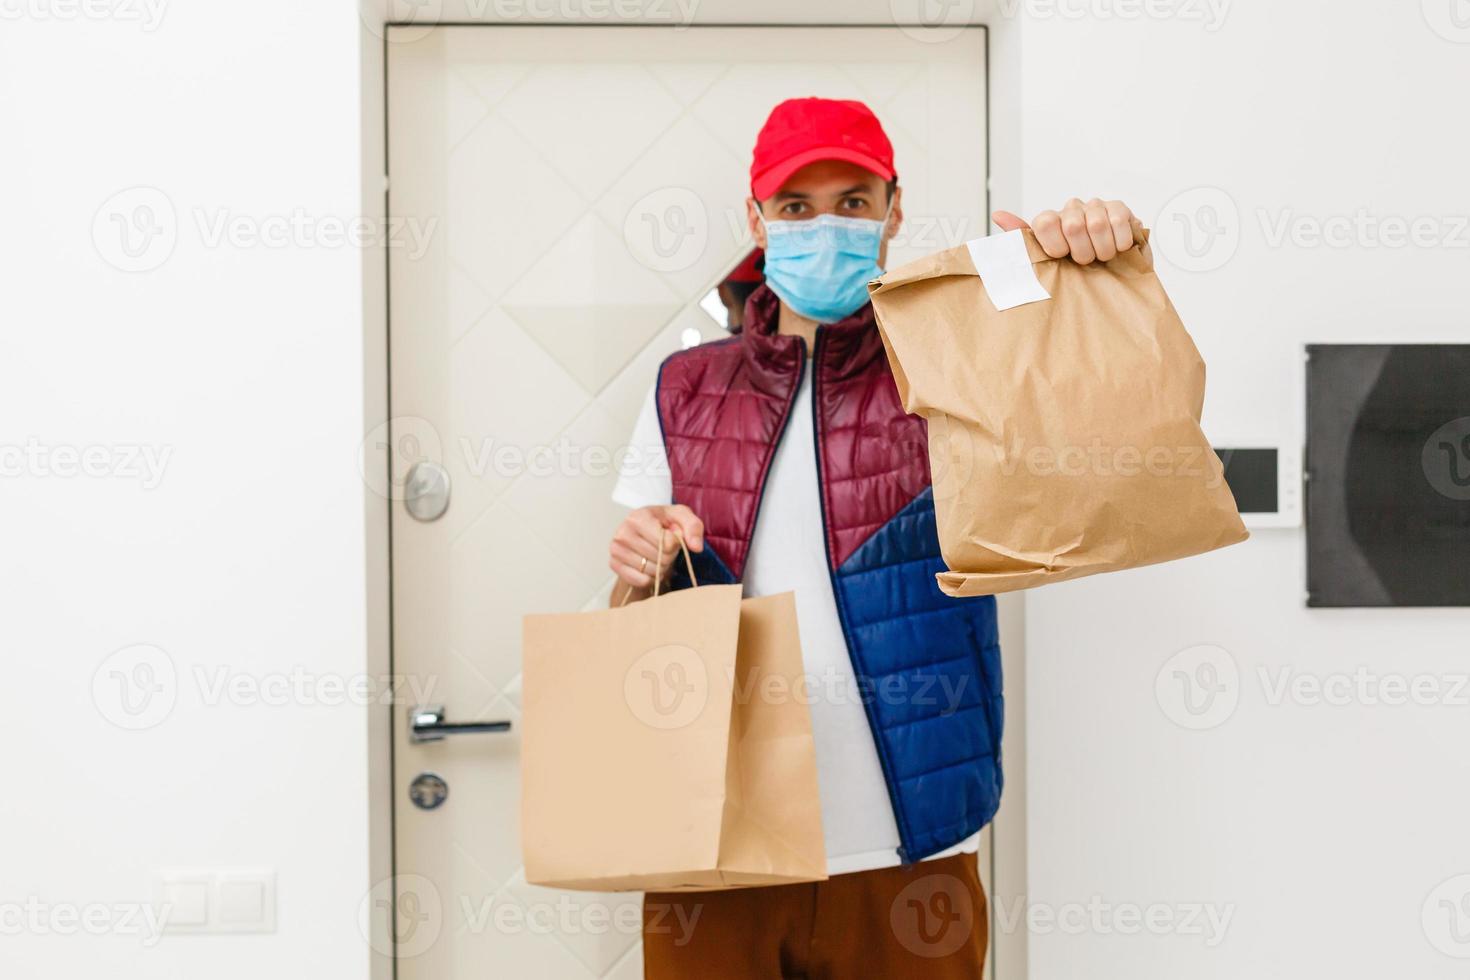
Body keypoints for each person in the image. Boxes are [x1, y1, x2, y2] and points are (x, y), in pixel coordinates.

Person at [609, 96, 1140, 979]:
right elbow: (638, 579)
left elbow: (1102, 448)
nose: (826, 226)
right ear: (757, 219)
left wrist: (1100, 272)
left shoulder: (953, 360)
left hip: (910, 850)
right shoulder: (686, 385)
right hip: (715, 848)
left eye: (853, 203)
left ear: (895, 211)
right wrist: (640, 552)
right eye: (796, 207)